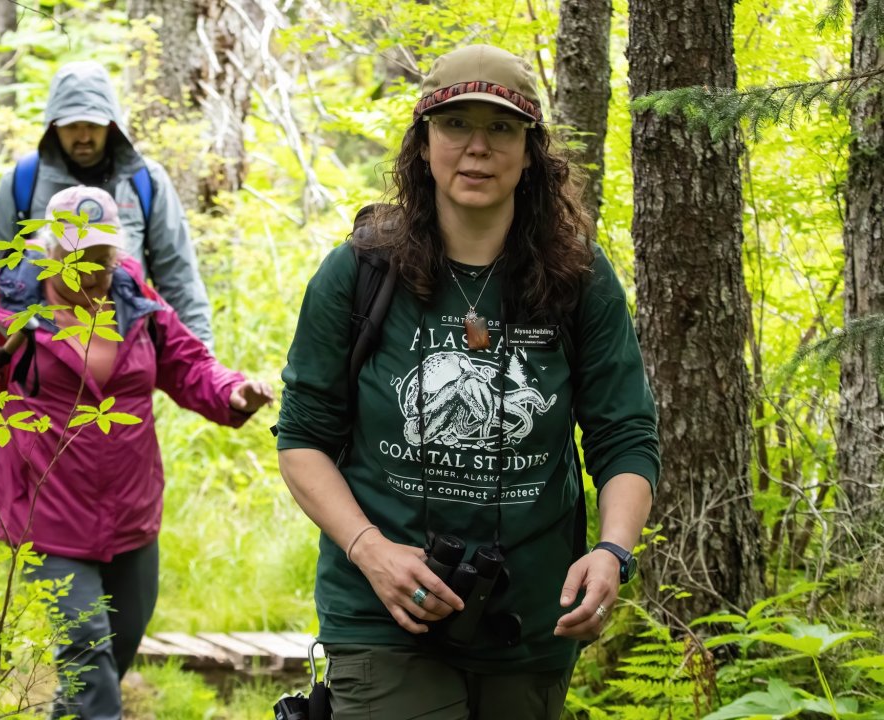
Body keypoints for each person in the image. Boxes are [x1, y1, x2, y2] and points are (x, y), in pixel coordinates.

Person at [274, 44, 660, 719]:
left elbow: (624, 435)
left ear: (530, 149)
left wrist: (611, 553)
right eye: (455, 126)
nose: (476, 148)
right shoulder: (362, 271)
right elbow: (303, 438)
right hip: (384, 613)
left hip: (532, 618)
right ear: (423, 143)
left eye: (501, 128)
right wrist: (371, 552)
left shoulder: (577, 279)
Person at [0, 185, 272, 720]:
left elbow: (191, 365)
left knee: (114, 651)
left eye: (102, 260)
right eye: (79, 261)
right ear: (53, 252)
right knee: (86, 645)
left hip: (131, 511)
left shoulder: (136, 297)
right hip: (43, 508)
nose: (93, 275)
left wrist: (234, 392)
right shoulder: (9, 297)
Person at [0, 60, 214, 347]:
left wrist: (202, 357)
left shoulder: (145, 181)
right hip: (38, 357)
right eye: (72, 126)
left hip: (126, 352)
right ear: (54, 127)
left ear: (110, 126)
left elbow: (179, 278)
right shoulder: (24, 181)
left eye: (92, 126)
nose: (83, 136)